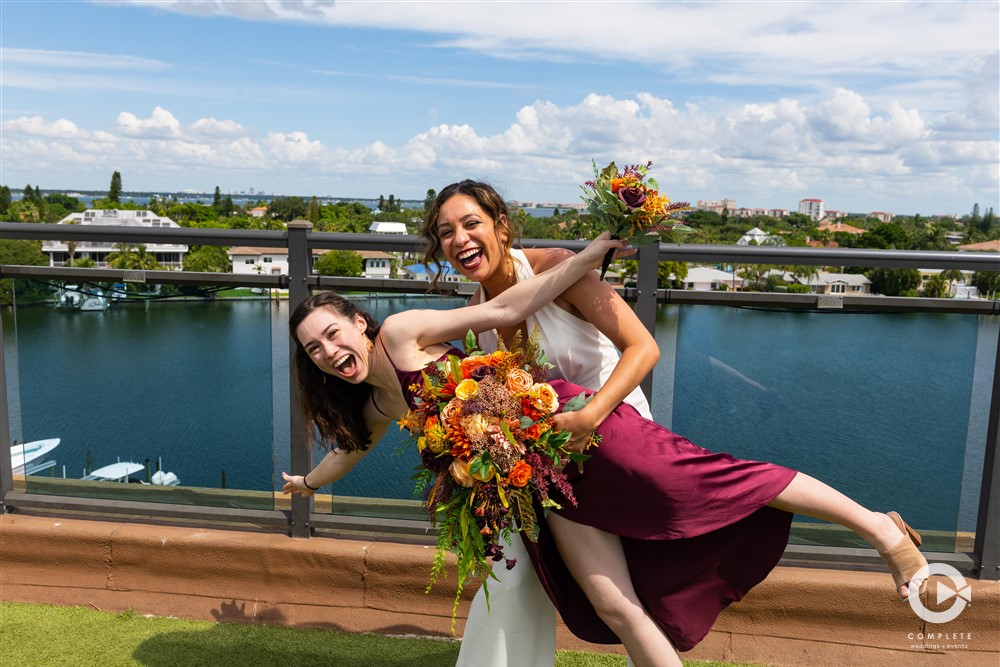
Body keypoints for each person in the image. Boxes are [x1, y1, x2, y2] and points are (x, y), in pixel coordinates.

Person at [282, 239, 928, 667]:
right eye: (316, 350)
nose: (330, 351)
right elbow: (349, 451)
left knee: (711, 482)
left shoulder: (401, 332)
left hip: (567, 424)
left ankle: (882, 530)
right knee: (613, 602)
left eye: (333, 333)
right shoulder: (377, 406)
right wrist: (307, 483)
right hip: (537, 478)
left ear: (358, 322)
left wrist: (587, 254)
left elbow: (511, 302)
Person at [420, 179, 658, 667]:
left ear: (501, 227)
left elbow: (644, 348)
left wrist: (592, 415)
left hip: (618, 432)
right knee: (607, 595)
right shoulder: (477, 317)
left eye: (471, 224)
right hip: (558, 461)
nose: (459, 239)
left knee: (640, 582)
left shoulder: (558, 268)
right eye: (446, 232)